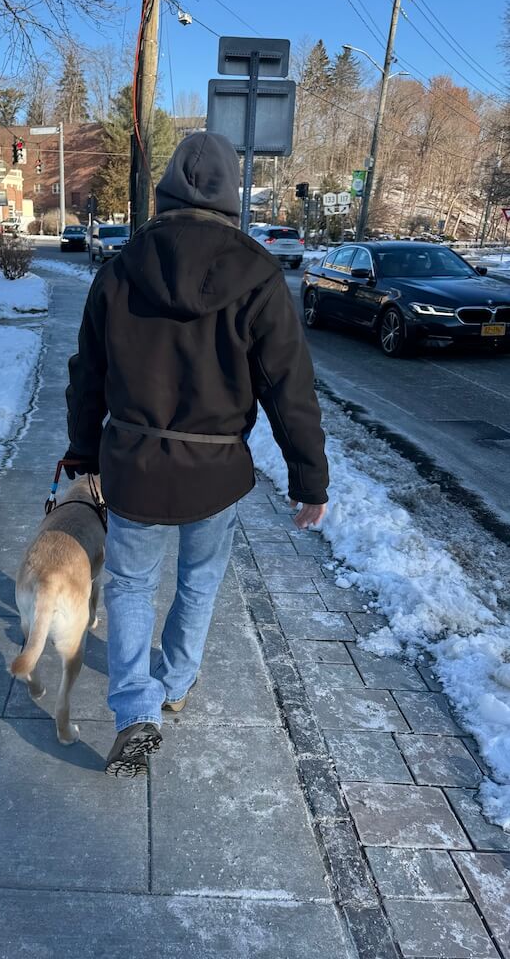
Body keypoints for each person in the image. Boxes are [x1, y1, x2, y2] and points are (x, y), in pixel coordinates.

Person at [64, 132, 329, 777]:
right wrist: (309, 478)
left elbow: (87, 375)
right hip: (215, 472)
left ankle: (136, 709)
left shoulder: (120, 269)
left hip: (133, 467)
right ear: (230, 198)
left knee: (128, 585)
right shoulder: (259, 274)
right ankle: (175, 683)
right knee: (199, 581)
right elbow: (288, 386)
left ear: (163, 194)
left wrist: (82, 452)